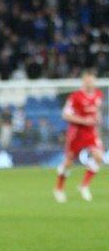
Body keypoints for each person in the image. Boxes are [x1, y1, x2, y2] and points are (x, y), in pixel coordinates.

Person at [53, 70, 105, 202]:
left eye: (93, 80)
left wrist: (97, 120)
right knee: (69, 162)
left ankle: (84, 185)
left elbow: (96, 111)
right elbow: (65, 114)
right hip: (76, 133)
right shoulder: (75, 96)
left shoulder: (98, 94)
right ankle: (59, 189)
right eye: (88, 80)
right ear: (84, 81)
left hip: (91, 132)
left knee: (99, 157)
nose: (91, 83)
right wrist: (83, 120)